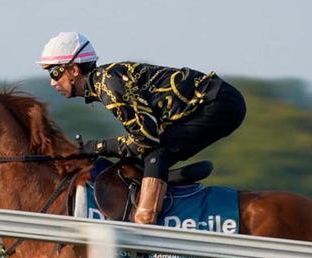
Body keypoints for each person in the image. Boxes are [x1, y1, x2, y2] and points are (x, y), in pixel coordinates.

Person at [37, 31, 247, 225]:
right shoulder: (104, 81)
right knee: (140, 159)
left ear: (74, 70)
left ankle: (145, 222)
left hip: (219, 103)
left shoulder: (108, 85)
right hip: (214, 101)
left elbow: (146, 139)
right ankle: (169, 180)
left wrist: (96, 146)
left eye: (55, 73)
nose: (52, 82)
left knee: (157, 152)